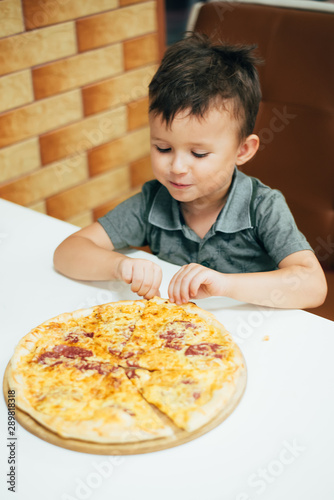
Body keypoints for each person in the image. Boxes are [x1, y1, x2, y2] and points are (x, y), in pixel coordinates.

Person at [53, 33, 327, 309]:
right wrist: (119, 266)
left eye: (198, 153)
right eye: (163, 148)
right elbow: (68, 252)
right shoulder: (153, 203)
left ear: (243, 150)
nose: (177, 167)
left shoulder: (262, 207)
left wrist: (227, 284)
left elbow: (313, 285)